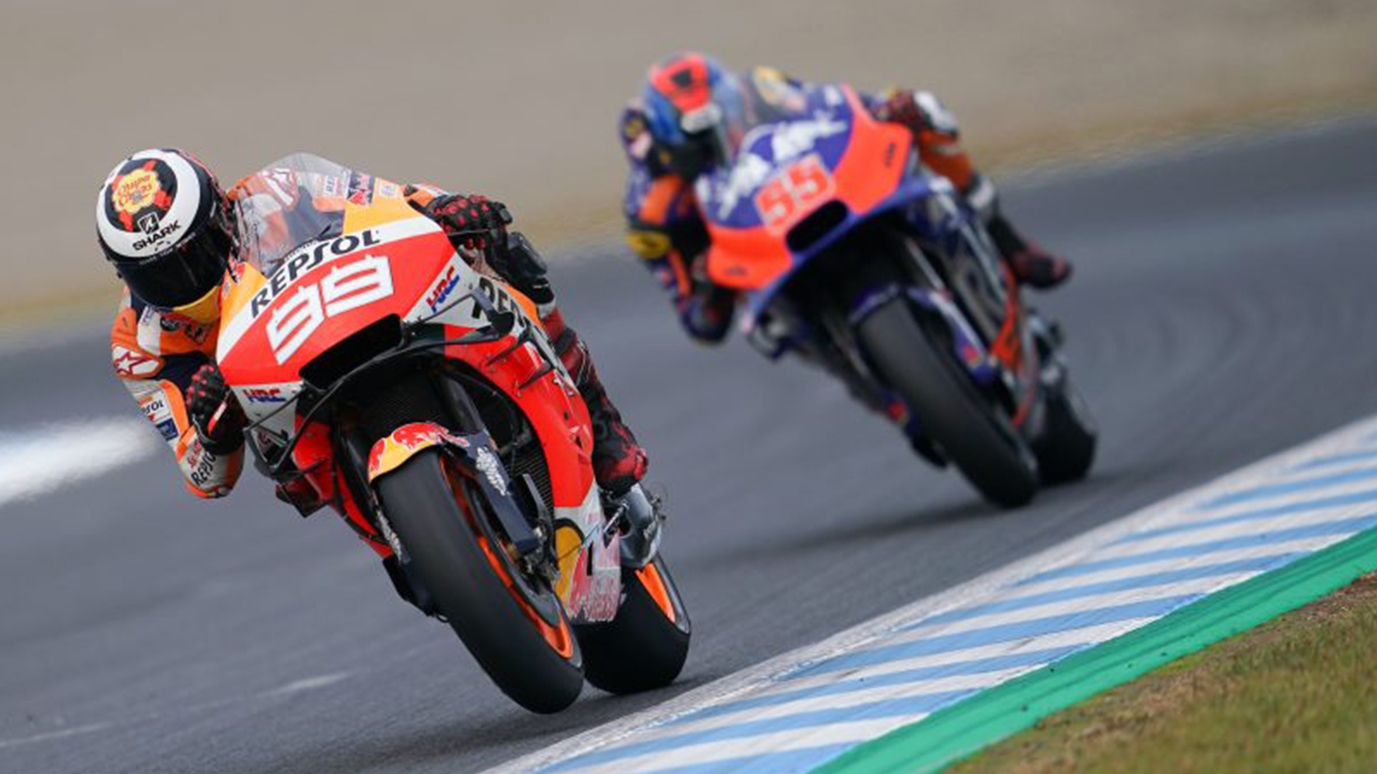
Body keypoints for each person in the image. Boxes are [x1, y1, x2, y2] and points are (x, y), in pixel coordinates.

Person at [98, 149, 654, 553]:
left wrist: (445, 209)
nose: (185, 280)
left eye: (196, 254)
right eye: (158, 275)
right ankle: (408, 540)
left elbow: (389, 201)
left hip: (363, 314)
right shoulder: (138, 345)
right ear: (125, 274)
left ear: (222, 214)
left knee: (497, 253)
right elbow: (205, 476)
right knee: (288, 476)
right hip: (290, 407)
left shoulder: (278, 194)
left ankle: (600, 423)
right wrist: (214, 428)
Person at [620, 52, 1073, 345]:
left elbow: (839, 105)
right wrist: (712, 285)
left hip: (821, 196)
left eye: (720, 123)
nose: (717, 141)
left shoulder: (760, 92)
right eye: (696, 141)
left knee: (921, 112)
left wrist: (887, 110)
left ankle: (1009, 244)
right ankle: (889, 394)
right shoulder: (652, 212)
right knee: (781, 332)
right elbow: (700, 322)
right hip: (765, 267)